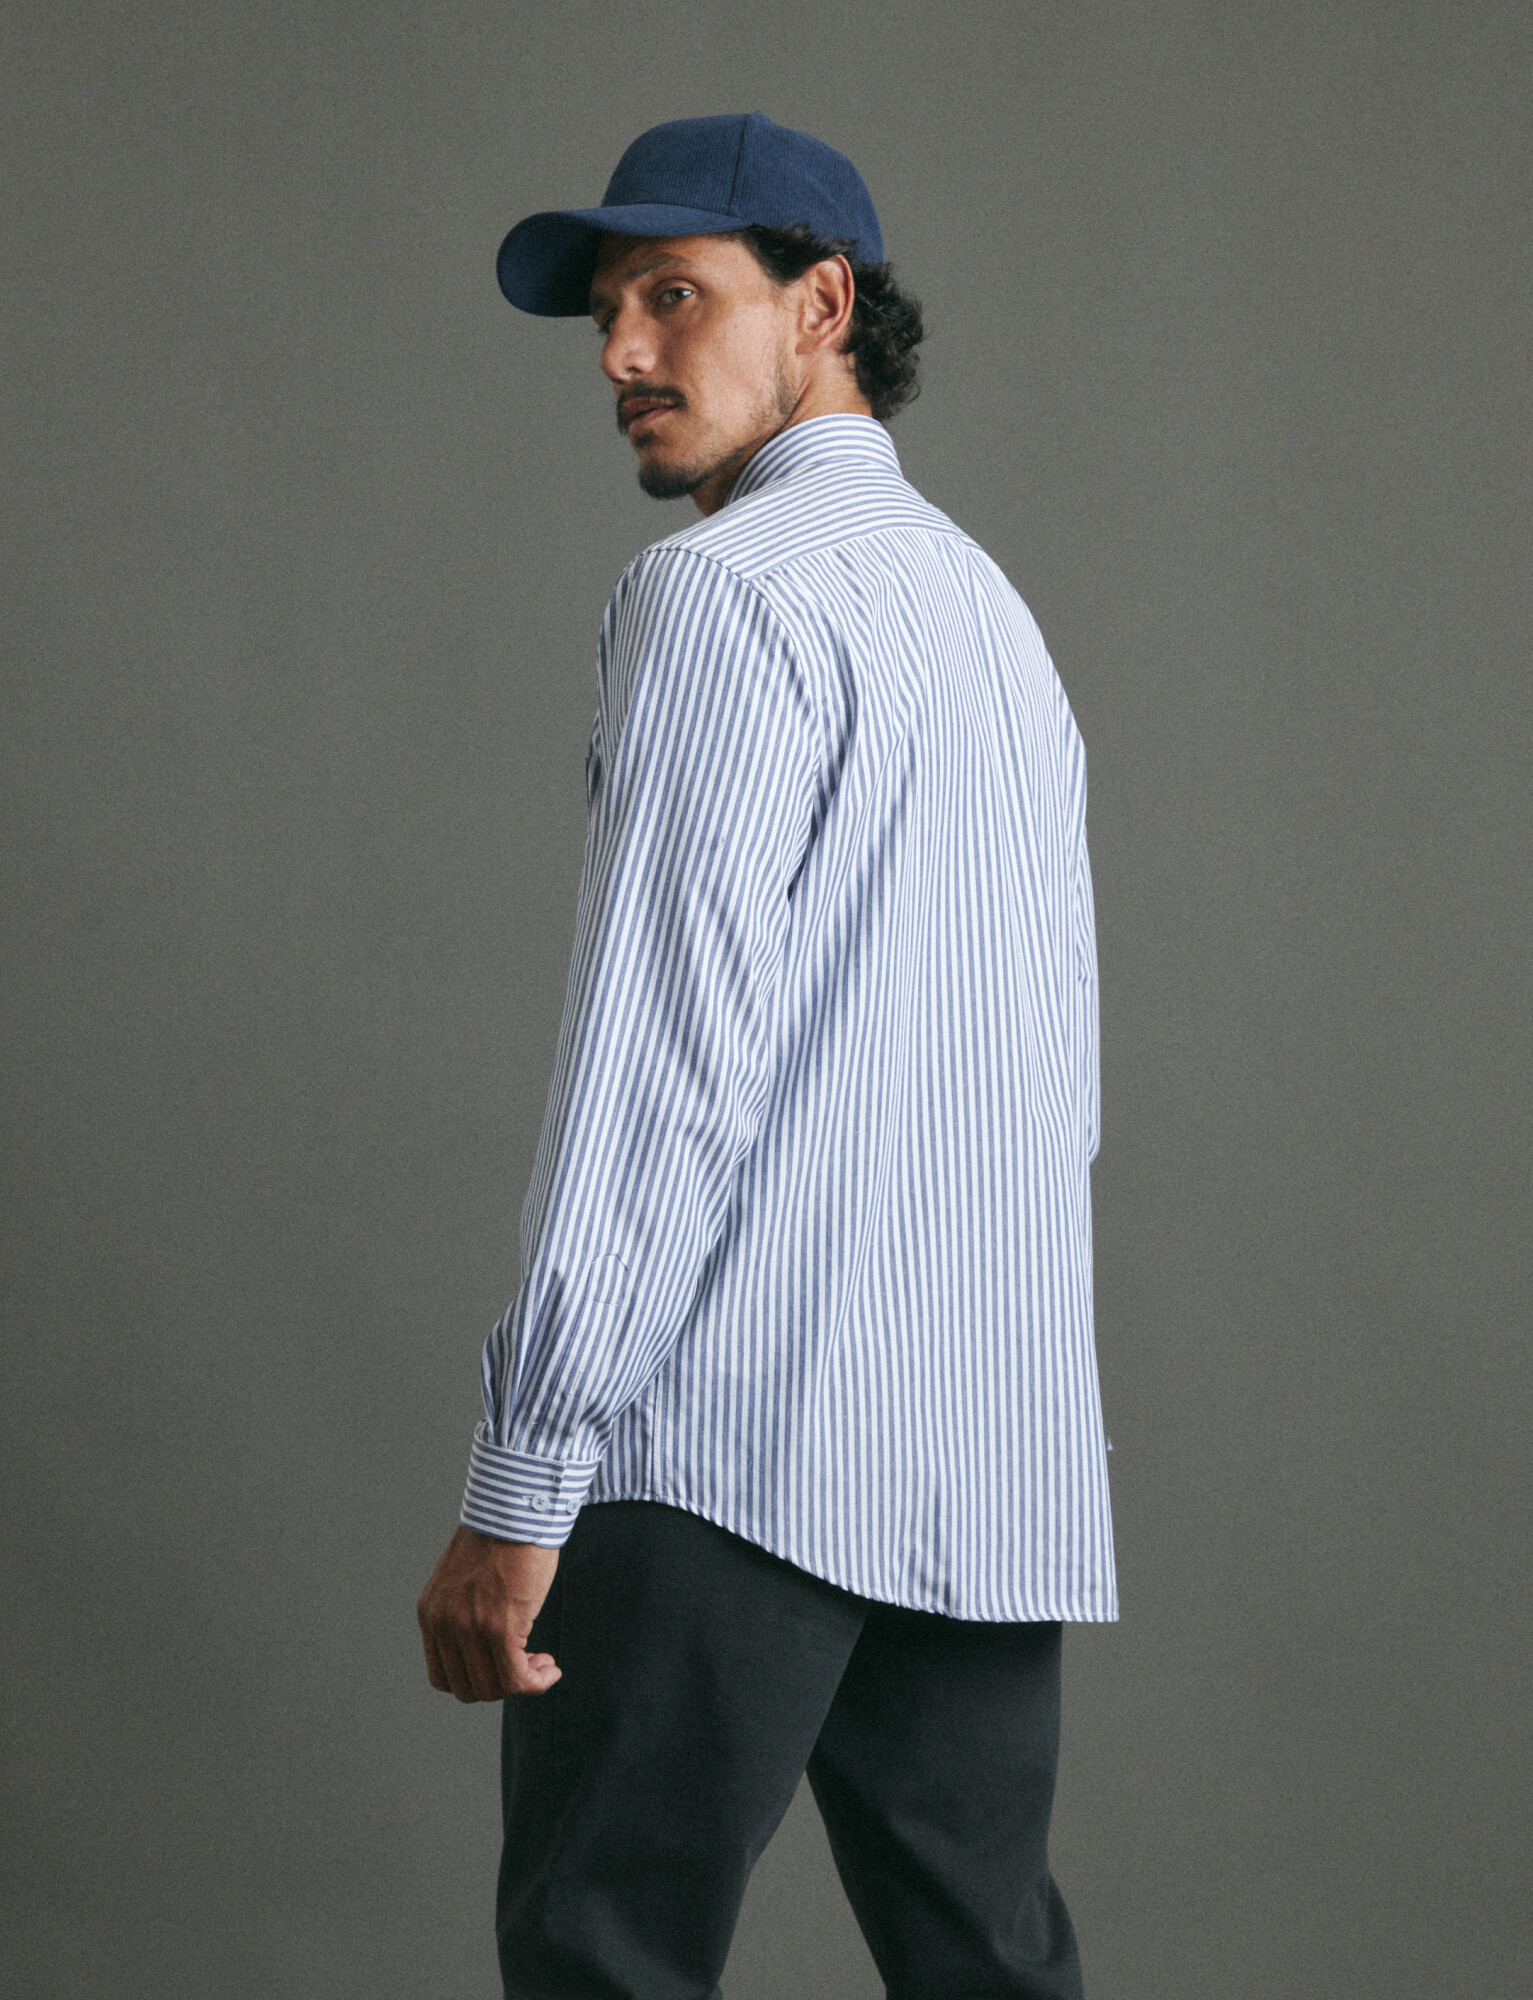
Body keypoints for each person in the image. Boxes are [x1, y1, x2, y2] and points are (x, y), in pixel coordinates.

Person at [417, 111, 1117, 2000]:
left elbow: (660, 1070)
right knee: (987, 1967)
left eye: (674, 297)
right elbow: (1051, 1079)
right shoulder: (986, 613)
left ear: (821, 305)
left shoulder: (722, 594)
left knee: (605, 1960)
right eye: (606, 315)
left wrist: (520, 1480)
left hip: (732, 1436)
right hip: (981, 1455)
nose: (622, 354)